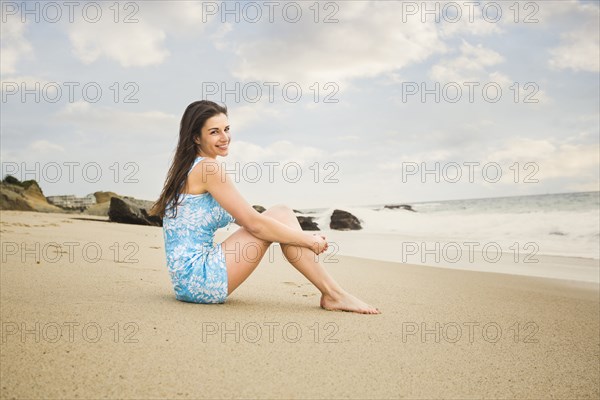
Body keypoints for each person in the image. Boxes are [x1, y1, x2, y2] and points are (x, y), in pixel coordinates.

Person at [150, 100, 380, 314]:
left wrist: (298, 235)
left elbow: (247, 219)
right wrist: (308, 240)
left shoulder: (191, 168)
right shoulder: (209, 169)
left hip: (186, 282)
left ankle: (333, 293)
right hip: (199, 278)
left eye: (226, 129)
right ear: (196, 138)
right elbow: (255, 225)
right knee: (280, 214)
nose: (224, 137)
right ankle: (334, 294)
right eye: (214, 132)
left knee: (280, 215)